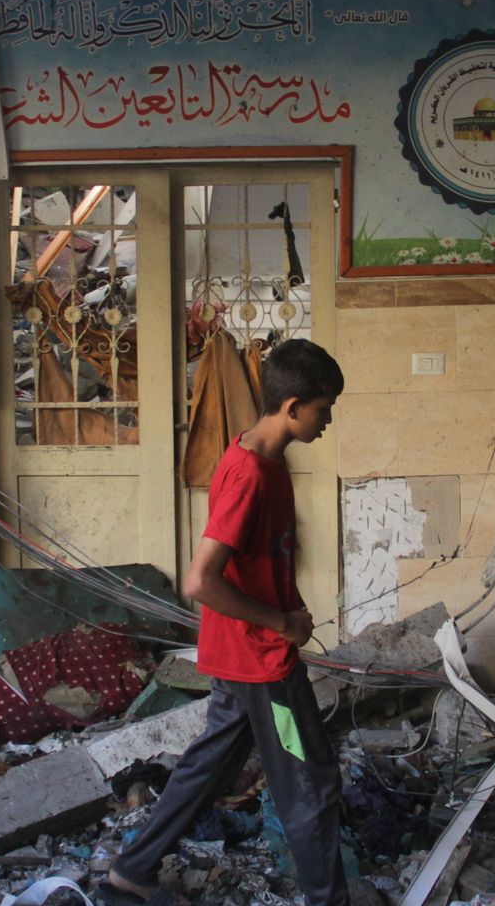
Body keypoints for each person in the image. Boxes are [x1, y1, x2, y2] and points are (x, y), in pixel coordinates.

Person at [102, 338, 348, 906]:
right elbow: (200, 581)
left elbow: (261, 562)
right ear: (292, 407)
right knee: (308, 782)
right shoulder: (250, 476)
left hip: (244, 663)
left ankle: (131, 871)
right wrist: (281, 621)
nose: (328, 420)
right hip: (263, 668)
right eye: (324, 408)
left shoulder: (262, 457)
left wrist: (286, 609)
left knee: (208, 770)